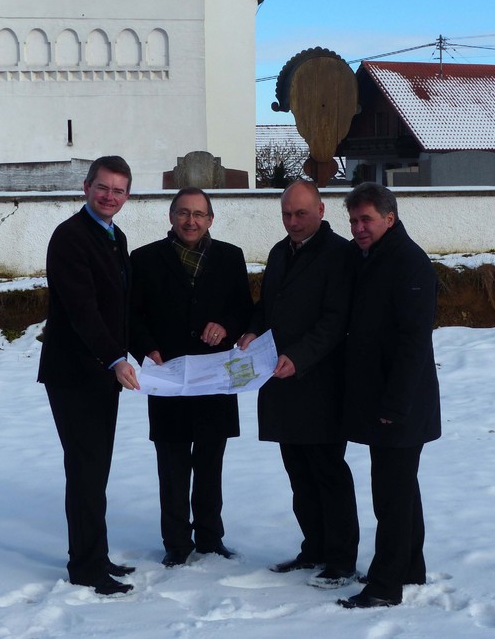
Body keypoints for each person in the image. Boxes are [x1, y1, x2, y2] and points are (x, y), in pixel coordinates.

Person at [238, 180, 359, 589]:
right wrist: (253, 331)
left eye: (301, 214)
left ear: (321, 211)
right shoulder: (278, 251)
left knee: (328, 472)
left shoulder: (340, 254)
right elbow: (266, 306)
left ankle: (341, 561)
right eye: (287, 214)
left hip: (320, 384)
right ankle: (314, 549)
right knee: (298, 474)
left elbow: (335, 320)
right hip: (279, 381)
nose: (292, 221)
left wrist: (301, 357)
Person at [130, 187, 253, 568]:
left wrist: (227, 325)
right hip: (167, 377)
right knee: (172, 463)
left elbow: (244, 310)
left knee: (211, 462)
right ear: (171, 216)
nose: (191, 221)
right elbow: (131, 315)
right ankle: (177, 542)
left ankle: (211, 538)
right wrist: (146, 347)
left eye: (199, 214)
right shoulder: (145, 258)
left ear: (211, 219)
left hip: (214, 377)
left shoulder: (230, 257)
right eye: (183, 213)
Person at [38, 155, 140, 596]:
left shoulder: (115, 237)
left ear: (127, 196)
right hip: (74, 374)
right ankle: (86, 568)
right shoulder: (70, 237)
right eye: (103, 187)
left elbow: (121, 307)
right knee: (85, 470)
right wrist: (116, 358)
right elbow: (83, 311)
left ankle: (95, 555)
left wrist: (140, 350)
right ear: (86, 187)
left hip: (102, 374)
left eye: (119, 190)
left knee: (96, 471)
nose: (110, 196)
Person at [337, 182, 441, 609]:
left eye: (366, 220)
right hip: (388, 400)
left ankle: (384, 585)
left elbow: (413, 341)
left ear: (389, 218)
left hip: (401, 402)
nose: (358, 228)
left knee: (390, 495)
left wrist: (395, 405)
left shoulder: (408, 263)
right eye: (353, 221)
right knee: (402, 489)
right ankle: (410, 567)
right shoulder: (374, 257)